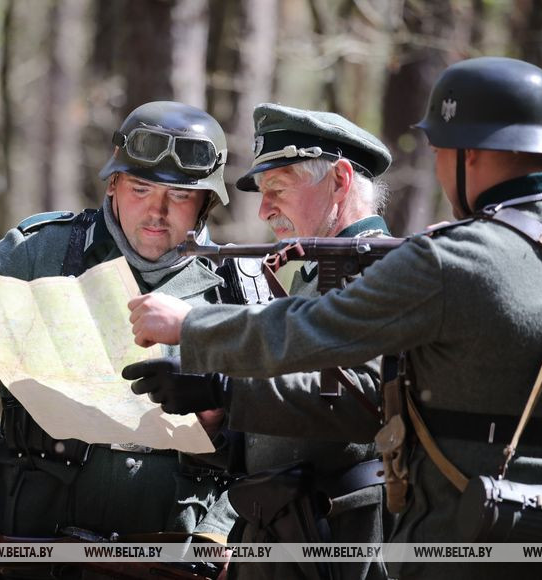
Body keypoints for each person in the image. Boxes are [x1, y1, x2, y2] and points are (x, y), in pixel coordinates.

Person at [128, 57, 542, 580]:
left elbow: (327, 344)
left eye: (438, 152)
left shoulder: (449, 260)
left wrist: (192, 328)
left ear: (467, 154)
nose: (265, 211)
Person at [0, 101, 239, 578]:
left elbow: (272, 441)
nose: (157, 211)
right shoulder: (45, 249)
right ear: (113, 185)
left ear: (205, 203)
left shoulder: (235, 287)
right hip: (28, 536)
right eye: (141, 188)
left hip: (164, 547)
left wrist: (220, 520)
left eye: (179, 196)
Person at [124, 104, 393, 580]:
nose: (265, 209)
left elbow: (355, 405)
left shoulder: (383, 274)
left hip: (340, 546)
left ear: (341, 179)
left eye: (278, 189)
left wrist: (224, 387)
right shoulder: (320, 276)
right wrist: (217, 422)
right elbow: (287, 434)